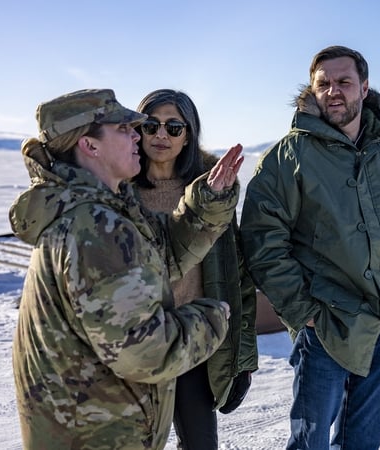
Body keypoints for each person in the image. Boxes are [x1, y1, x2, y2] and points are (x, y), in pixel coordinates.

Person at [9, 88, 244, 449]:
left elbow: (161, 255)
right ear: (90, 146)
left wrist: (204, 206)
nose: (140, 135)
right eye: (125, 129)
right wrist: (210, 318)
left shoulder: (103, 210)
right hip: (95, 432)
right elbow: (145, 353)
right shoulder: (94, 227)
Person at [240, 45, 380, 449]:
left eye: (344, 82)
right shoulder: (288, 157)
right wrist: (303, 311)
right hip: (327, 324)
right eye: (323, 84)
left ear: (364, 88)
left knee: (362, 441)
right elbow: (263, 241)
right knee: (310, 442)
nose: (333, 91)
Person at [133, 89, 258, 449]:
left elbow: (237, 275)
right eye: (150, 125)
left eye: (174, 127)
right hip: (135, 342)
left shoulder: (210, 191)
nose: (160, 135)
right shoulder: (118, 188)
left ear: (188, 134)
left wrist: (243, 353)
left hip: (192, 338)